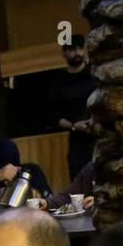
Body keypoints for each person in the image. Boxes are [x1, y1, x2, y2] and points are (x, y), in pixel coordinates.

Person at [48, 34, 98, 179]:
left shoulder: (95, 73)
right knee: (80, 186)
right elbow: (55, 117)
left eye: (80, 48)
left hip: (101, 136)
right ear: (64, 53)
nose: (77, 53)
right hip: (78, 141)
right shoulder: (59, 82)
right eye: (72, 49)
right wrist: (74, 126)